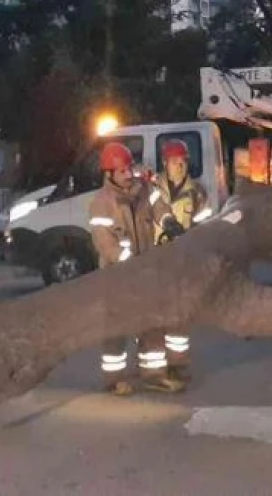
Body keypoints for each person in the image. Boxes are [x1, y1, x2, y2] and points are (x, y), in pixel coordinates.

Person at [88, 142, 186, 396]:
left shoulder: (144, 191)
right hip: (118, 276)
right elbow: (104, 242)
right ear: (109, 174)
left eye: (129, 168)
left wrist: (169, 223)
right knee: (116, 329)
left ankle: (154, 375)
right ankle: (114, 380)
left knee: (152, 323)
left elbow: (159, 208)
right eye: (121, 171)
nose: (128, 174)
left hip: (144, 270)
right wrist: (129, 261)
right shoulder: (101, 203)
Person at [151, 139, 211, 383]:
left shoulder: (197, 192)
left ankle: (177, 364)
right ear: (165, 163)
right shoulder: (152, 188)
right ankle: (154, 366)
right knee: (154, 314)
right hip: (154, 260)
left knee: (179, 315)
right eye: (176, 162)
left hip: (181, 260)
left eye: (184, 162)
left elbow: (205, 222)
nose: (181, 166)